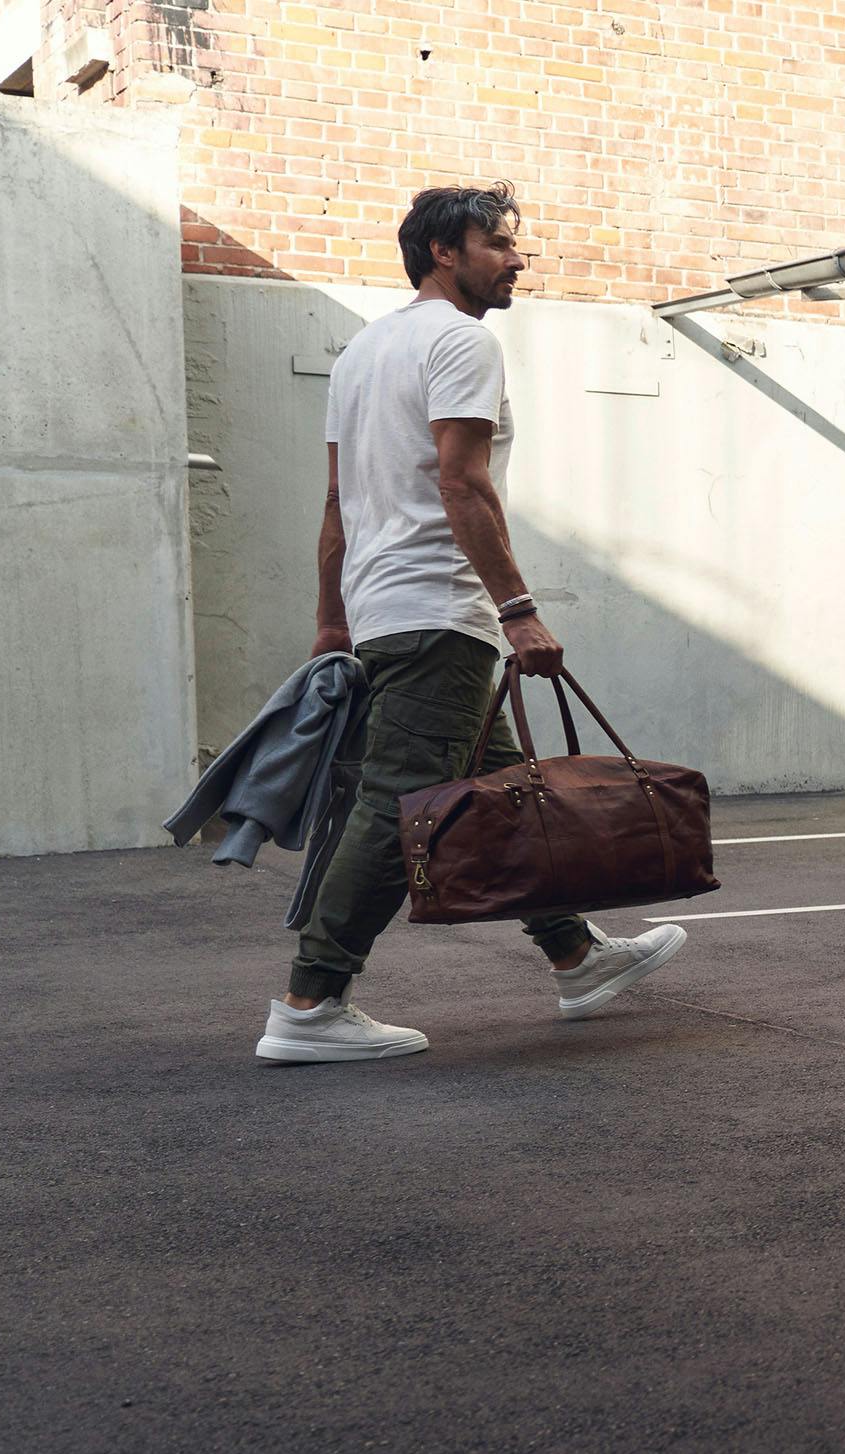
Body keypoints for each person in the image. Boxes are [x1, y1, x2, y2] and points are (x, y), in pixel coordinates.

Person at [254, 183, 688, 1064]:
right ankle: (310, 1001)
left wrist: (334, 620)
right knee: (397, 805)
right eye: (497, 243)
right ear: (444, 252)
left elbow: (339, 500)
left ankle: (575, 955)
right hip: (438, 614)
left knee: (502, 788)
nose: (517, 258)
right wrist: (519, 611)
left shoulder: (363, 352)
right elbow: (463, 484)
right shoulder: (461, 342)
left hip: (388, 611)